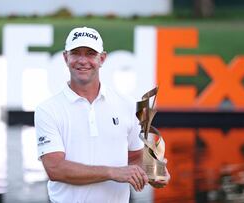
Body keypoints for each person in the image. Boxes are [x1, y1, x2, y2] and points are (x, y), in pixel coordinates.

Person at [35, 26, 170, 203]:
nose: (83, 60)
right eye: (76, 53)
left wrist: (154, 172)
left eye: (90, 53)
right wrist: (113, 172)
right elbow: (55, 169)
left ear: (102, 58)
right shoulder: (48, 109)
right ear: (66, 58)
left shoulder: (127, 105)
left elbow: (135, 157)